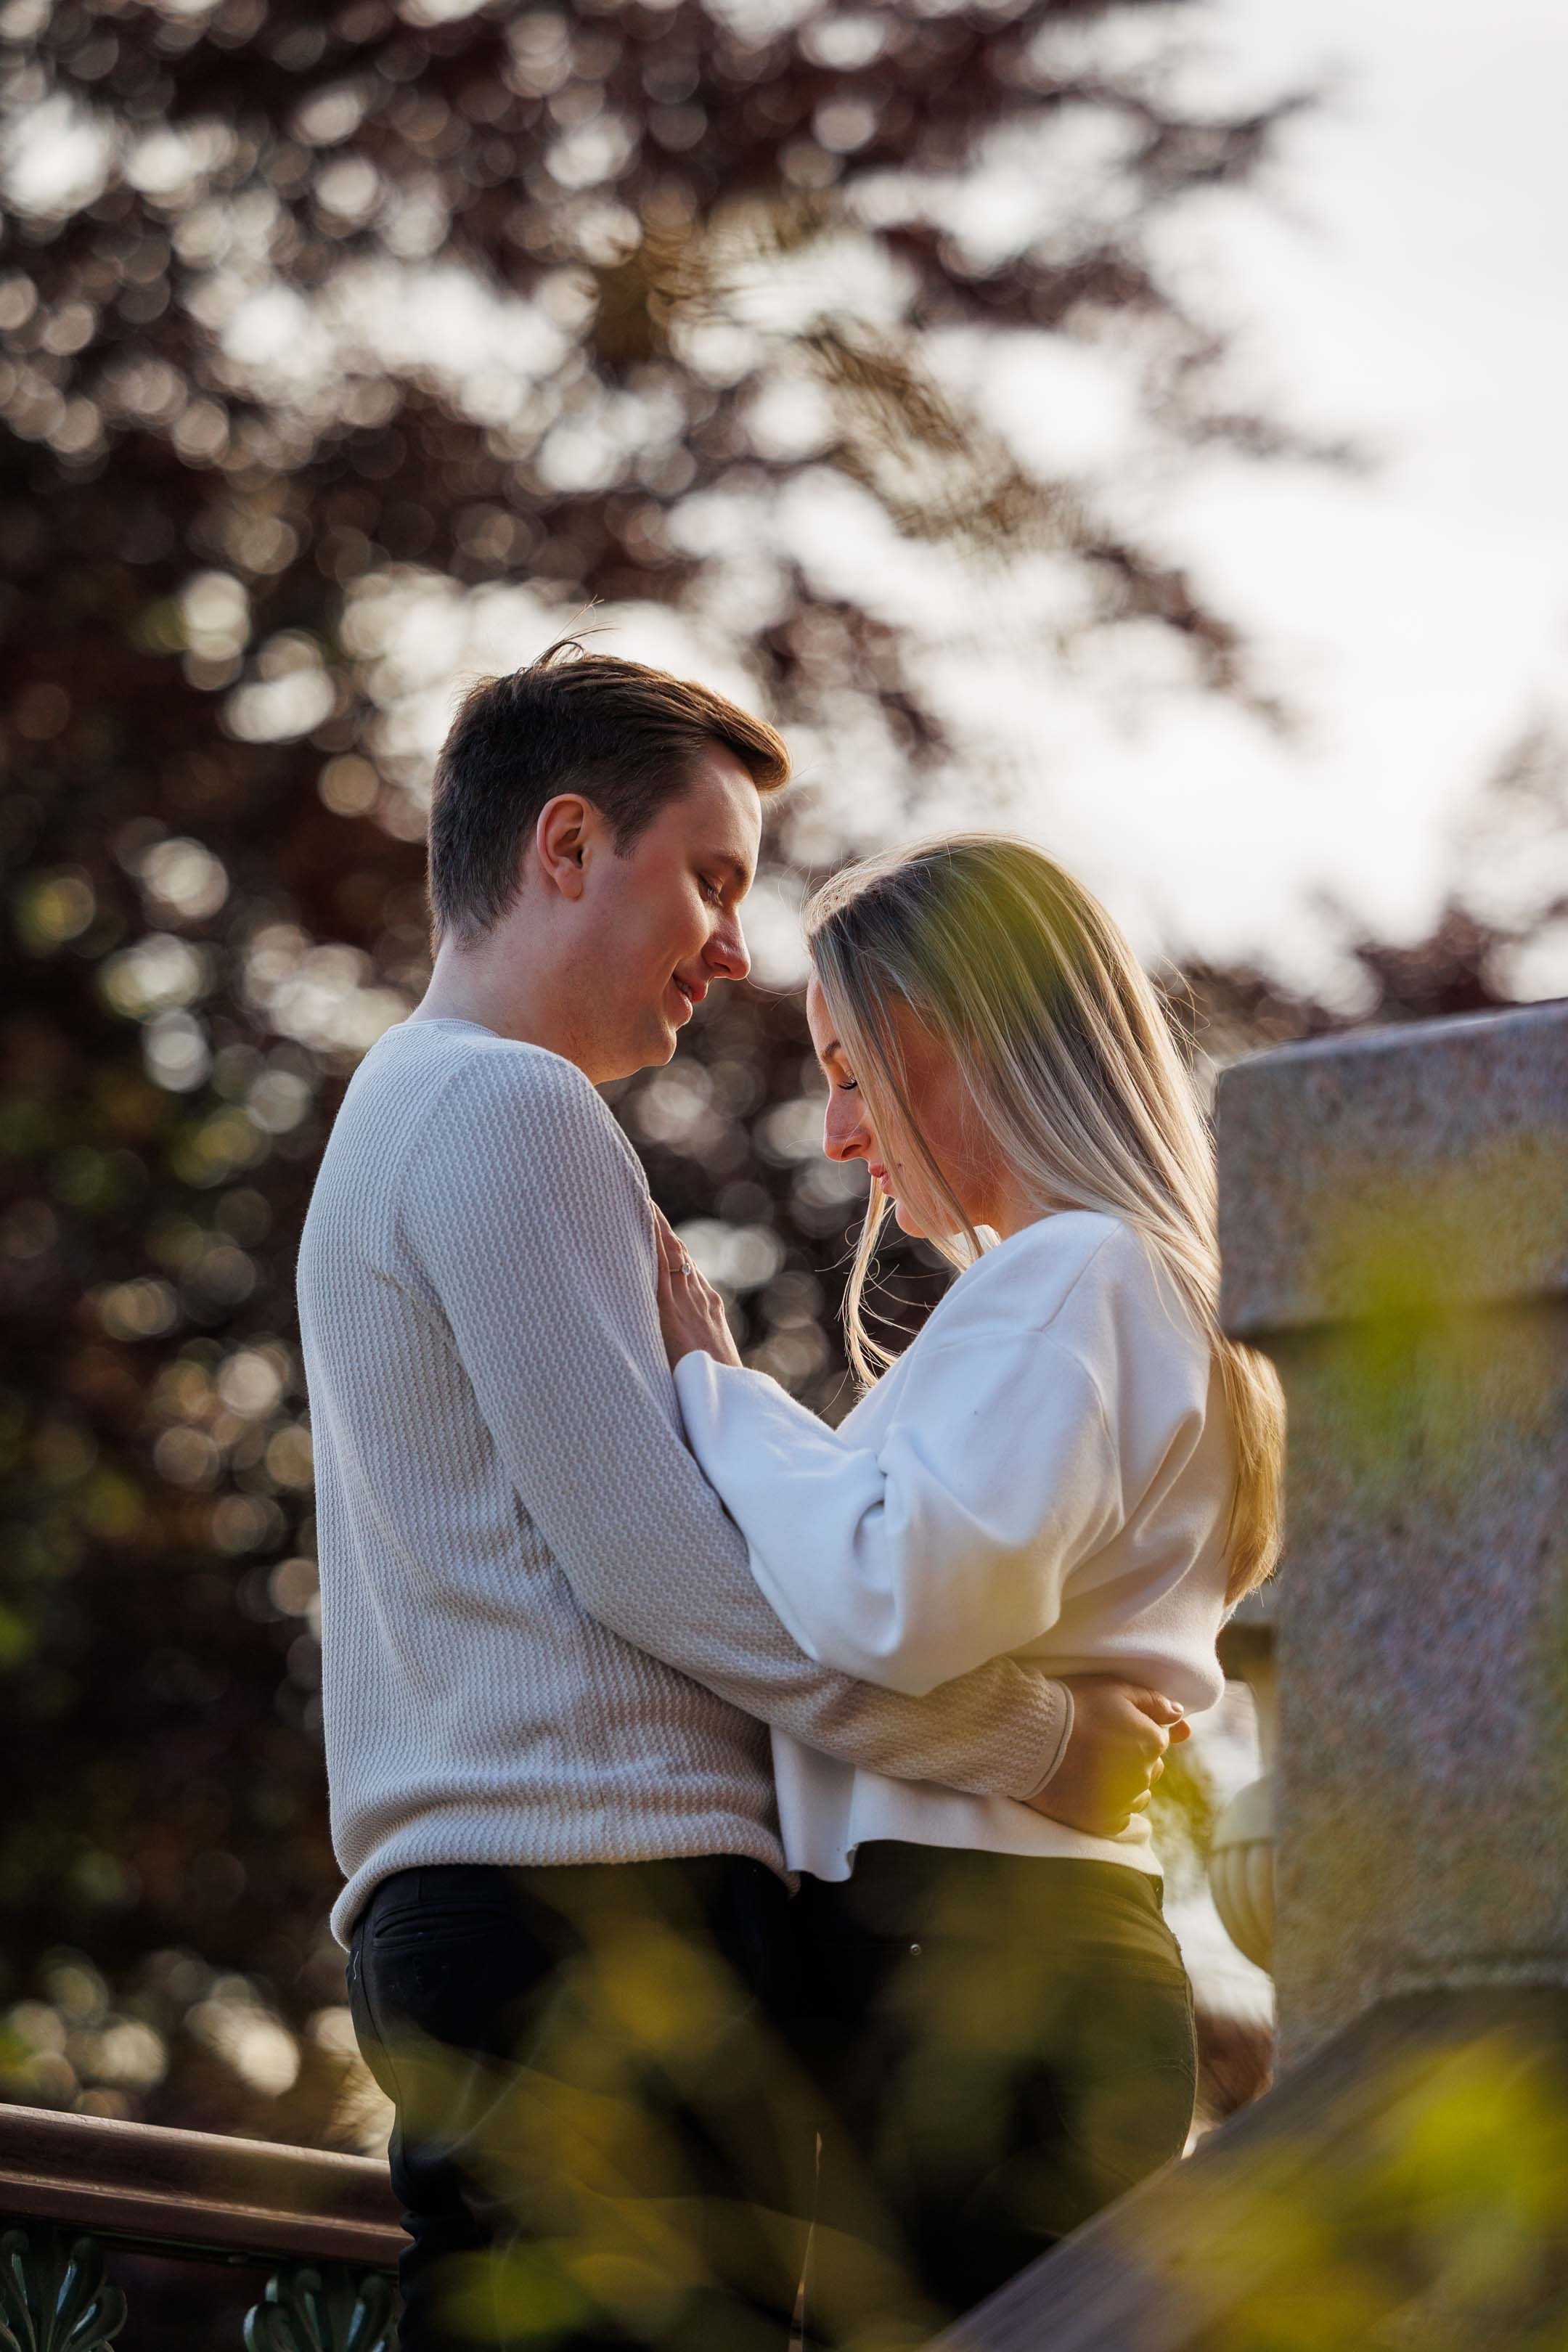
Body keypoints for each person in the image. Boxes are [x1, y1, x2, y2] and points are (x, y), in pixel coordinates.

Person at [296, 648, 1182, 2352]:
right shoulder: (505, 1103)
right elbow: (666, 1576)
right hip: (591, 1908)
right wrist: (1029, 1744)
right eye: (709, 879)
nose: (733, 946)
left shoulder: (401, 1111)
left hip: (494, 1908)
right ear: (568, 847)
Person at [653, 833, 1286, 2345]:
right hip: (1009, 1953)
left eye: (854, 1070)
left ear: (968, 1036)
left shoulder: (1076, 1276)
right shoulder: (1120, 1286)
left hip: (976, 1968)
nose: (838, 1134)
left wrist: (714, 1393)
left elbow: (899, 1599)